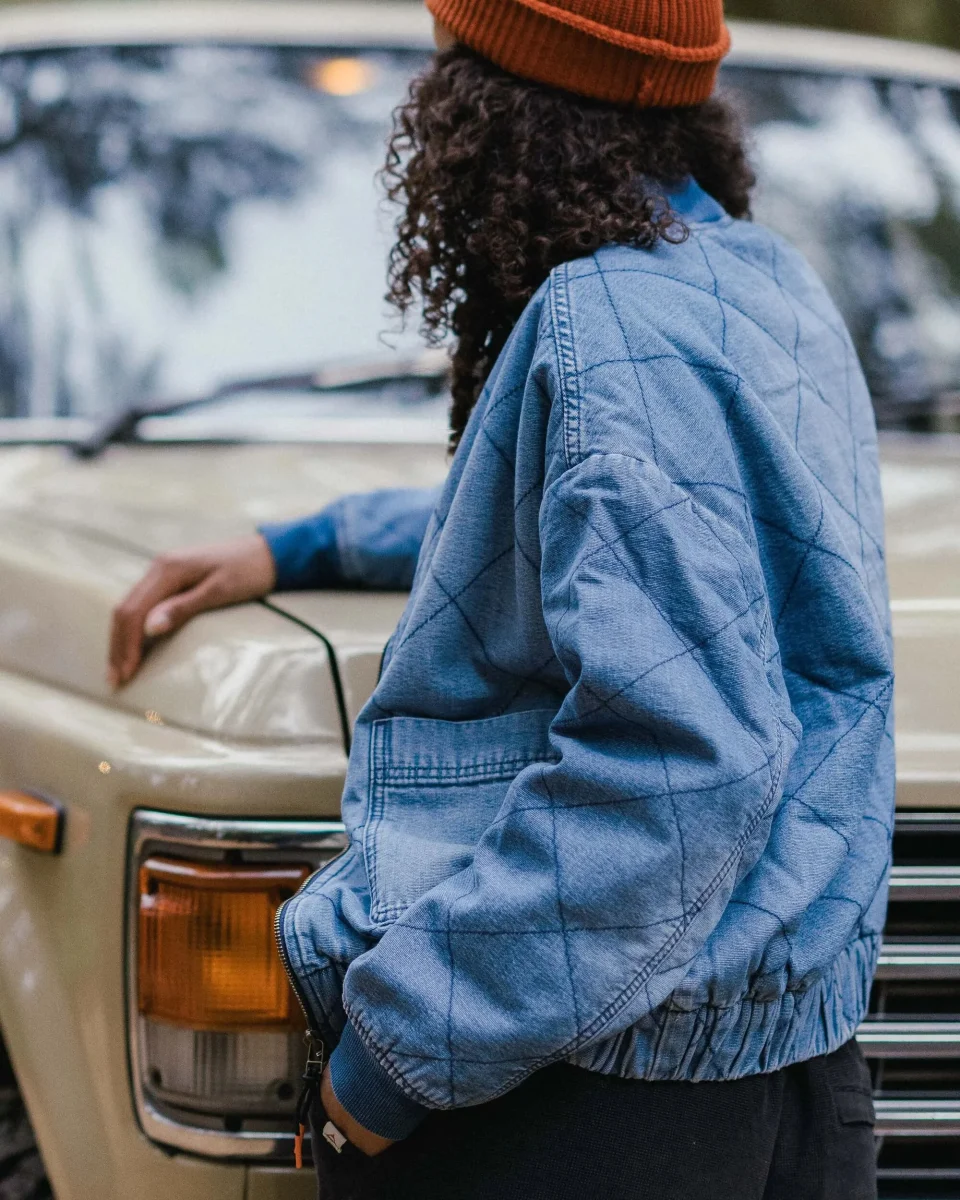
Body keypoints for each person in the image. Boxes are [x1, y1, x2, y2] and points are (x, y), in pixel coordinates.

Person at [108, 3, 893, 1197]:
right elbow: (634, 523)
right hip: (785, 1073)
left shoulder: (606, 322)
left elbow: (680, 769)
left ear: (492, 101)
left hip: (573, 1096)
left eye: (446, 59)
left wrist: (386, 1062)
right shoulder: (760, 282)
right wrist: (306, 541)